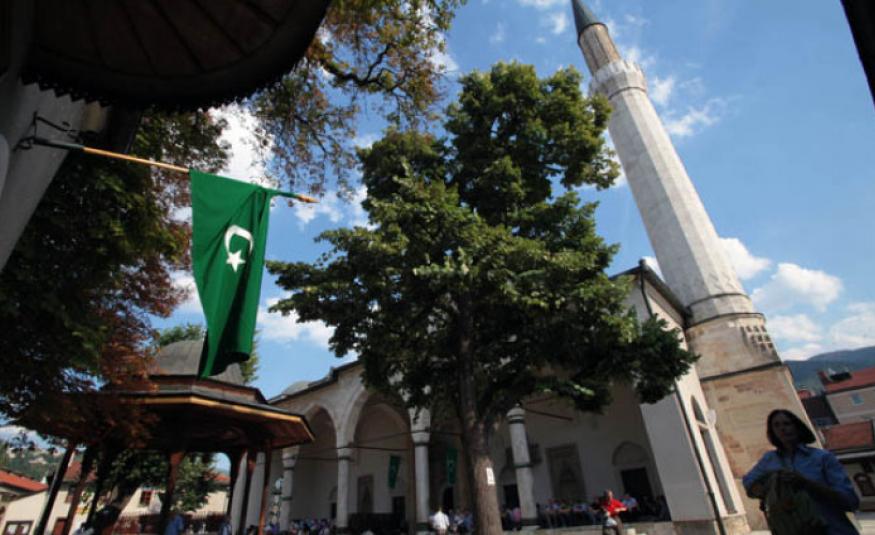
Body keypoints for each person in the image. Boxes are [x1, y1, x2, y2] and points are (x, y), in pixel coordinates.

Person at [743, 409, 860, 535]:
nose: (782, 429)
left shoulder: (822, 458)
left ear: (797, 427)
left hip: (831, 529)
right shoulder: (769, 459)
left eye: (787, 424)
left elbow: (850, 501)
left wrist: (806, 484)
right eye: (776, 425)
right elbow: (748, 482)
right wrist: (770, 488)